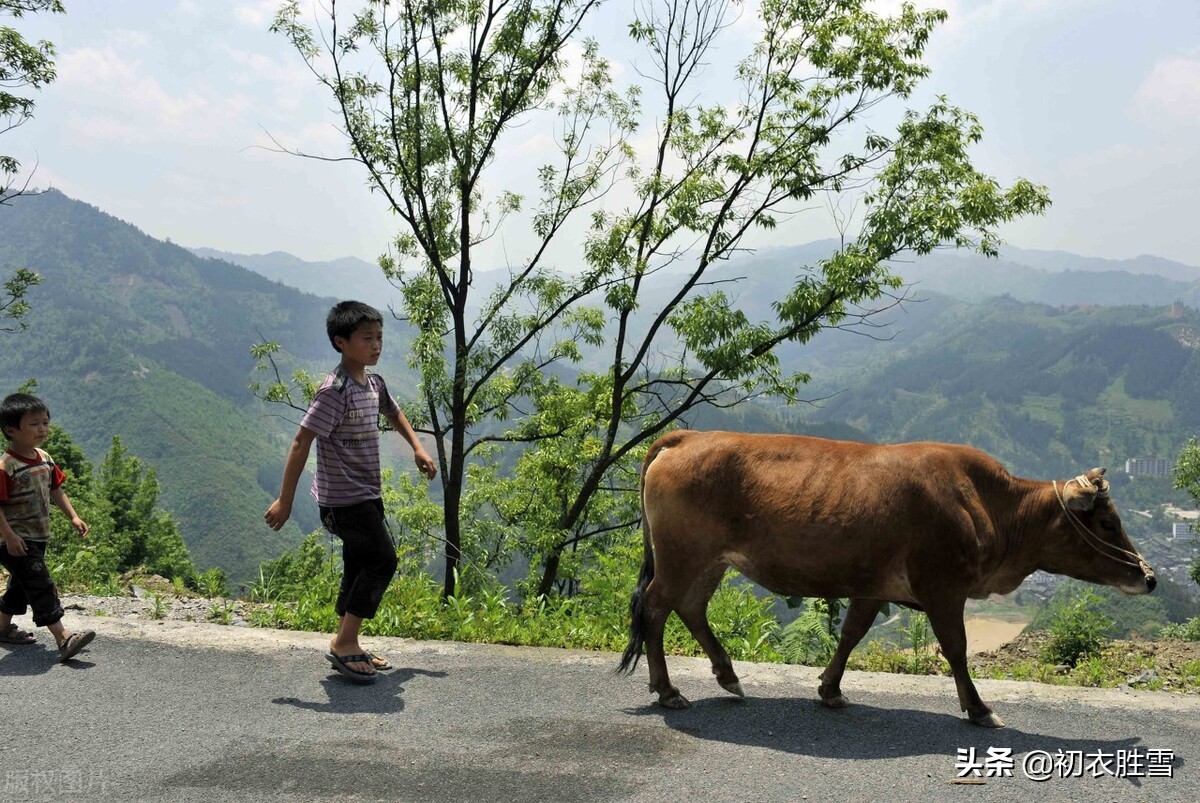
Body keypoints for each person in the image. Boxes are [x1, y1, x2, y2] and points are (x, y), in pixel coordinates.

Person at [265, 301, 437, 682]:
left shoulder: (373, 383)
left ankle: (346, 639)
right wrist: (285, 500)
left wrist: (418, 448)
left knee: (360, 563)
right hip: (341, 500)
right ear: (341, 342)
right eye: (366, 338)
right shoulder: (334, 391)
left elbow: (393, 412)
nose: (376, 345)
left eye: (379, 337)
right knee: (382, 561)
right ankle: (346, 642)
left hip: (366, 494)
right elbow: (300, 442)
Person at [0, 393, 96, 662]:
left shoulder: (44, 457)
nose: (43, 429)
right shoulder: (6, 467)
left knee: (20, 585)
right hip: (15, 539)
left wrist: (73, 517)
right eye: (34, 424)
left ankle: (2, 628)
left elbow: (56, 489)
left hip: (39, 536)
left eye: (45, 422)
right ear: (11, 430)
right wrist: (8, 536)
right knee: (41, 585)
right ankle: (63, 638)